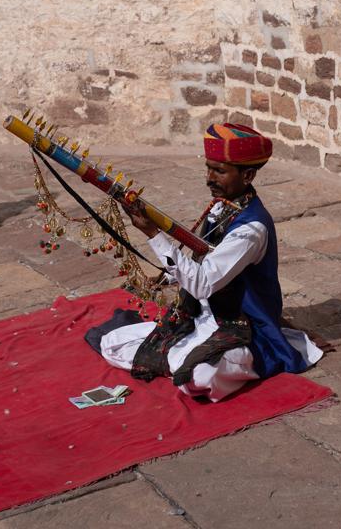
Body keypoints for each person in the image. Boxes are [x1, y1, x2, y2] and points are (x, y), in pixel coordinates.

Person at [91, 123, 323, 402]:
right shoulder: (222, 208)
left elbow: (202, 284)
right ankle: (180, 358)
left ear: (248, 175)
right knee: (111, 343)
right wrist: (171, 277)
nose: (209, 178)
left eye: (220, 171)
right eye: (209, 168)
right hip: (203, 317)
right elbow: (205, 264)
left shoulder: (250, 230)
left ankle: (187, 360)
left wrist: (153, 233)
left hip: (243, 329)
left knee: (199, 378)